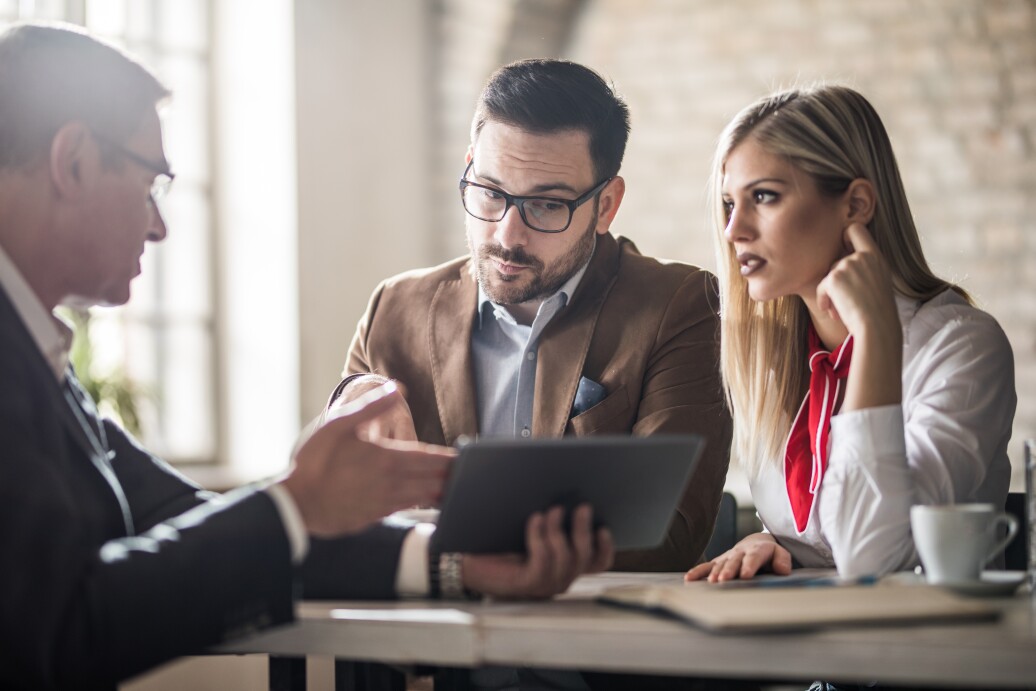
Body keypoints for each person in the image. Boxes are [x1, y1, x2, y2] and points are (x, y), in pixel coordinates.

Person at [0, 23, 612, 691]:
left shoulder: (34, 352)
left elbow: (175, 518)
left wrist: (453, 561)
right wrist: (295, 503)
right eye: (152, 184)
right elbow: (52, 631)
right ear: (76, 161)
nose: (159, 223)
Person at [332, 58, 732, 575]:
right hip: (427, 648)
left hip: (592, 645)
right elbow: (337, 505)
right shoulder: (395, 306)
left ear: (606, 205)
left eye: (546, 205)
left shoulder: (683, 305)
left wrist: (459, 554)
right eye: (491, 192)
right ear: (470, 166)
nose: (506, 235)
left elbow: (670, 531)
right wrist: (344, 403)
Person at [685, 84, 1015, 584]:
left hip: (923, 655)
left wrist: (876, 336)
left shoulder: (962, 347)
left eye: (765, 196)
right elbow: (829, 538)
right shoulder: (776, 360)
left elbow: (871, 555)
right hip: (802, 653)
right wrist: (776, 543)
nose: (734, 230)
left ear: (855, 204)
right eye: (730, 203)